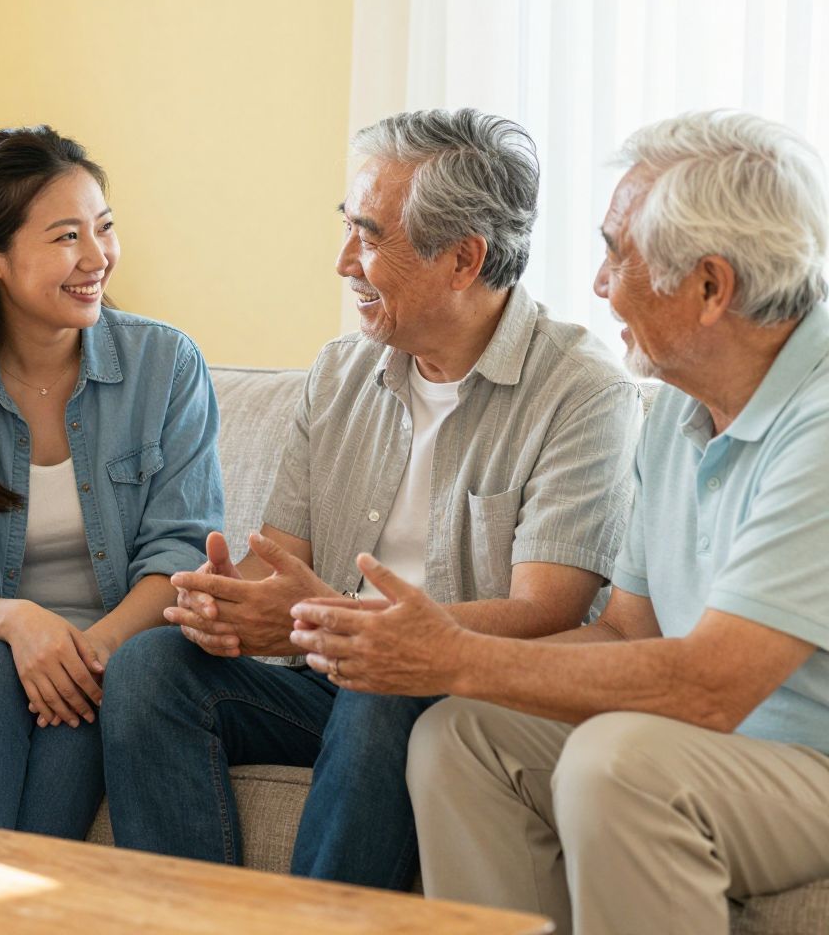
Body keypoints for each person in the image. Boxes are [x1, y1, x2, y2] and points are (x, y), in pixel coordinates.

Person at [292, 109, 829, 935]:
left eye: (620, 255)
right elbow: (624, 631)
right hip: (714, 739)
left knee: (617, 765)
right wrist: (440, 660)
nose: (599, 284)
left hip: (807, 758)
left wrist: (456, 652)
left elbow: (711, 685)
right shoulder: (678, 411)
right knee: (457, 736)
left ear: (711, 287)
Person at [99, 109, 642, 889]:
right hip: (327, 677)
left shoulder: (581, 391)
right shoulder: (341, 371)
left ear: (463, 260)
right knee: (153, 668)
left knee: (383, 678)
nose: (342, 260)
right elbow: (281, 561)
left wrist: (355, 631)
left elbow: (546, 610)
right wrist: (226, 603)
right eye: (347, 228)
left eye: (371, 236)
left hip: (457, 685)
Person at [0, 125, 223, 838]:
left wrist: (84, 653)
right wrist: (22, 624)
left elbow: (180, 555)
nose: (97, 258)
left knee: (87, 704)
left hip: (111, 657)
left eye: (103, 228)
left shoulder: (165, 368)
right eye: (66, 236)